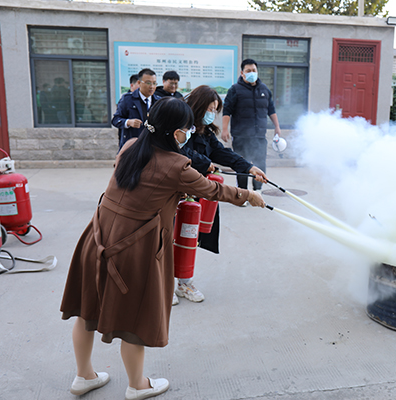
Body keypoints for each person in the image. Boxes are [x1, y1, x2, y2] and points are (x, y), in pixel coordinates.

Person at [60, 97, 265, 399]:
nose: (190, 134)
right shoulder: (176, 166)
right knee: (134, 320)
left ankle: (83, 376)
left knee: (86, 309)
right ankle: (137, 385)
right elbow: (214, 190)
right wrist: (248, 195)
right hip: (133, 247)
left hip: (97, 236)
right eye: (187, 129)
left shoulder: (130, 147)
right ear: (175, 132)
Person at [174, 85, 267, 304]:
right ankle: (165, 284)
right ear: (198, 106)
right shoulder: (181, 126)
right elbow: (180, 151)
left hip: (196, 192)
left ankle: (184, 283)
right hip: (175, 193)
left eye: (215, 110)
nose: (212, 114)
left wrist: (248, 167)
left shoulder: (206, 131)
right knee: (170, 239)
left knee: (190, 237)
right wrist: (205, 163)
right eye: (210, 108)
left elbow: (221, 152)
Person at [222, 58, 282, 191]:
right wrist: (225, 129)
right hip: (241, 136)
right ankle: (243, 193)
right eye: (248, 70)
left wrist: (277, 126)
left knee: (260, 164)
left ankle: (257, 191)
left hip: (259, 136)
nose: (252, 73)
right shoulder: (235, 90)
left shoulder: (264, 89)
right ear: (242, 73)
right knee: (241, 164)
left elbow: (271, 110)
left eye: (254, 70)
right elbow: (227, 110)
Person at [112, 68, 160, 149]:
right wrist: (128, 122)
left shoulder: (159, 101)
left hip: (153, 146)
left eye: (154, 83)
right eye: (148, 83)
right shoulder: (127, 99)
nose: (152, 86)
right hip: (132, 146)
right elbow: (115, 120)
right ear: (139, 83)